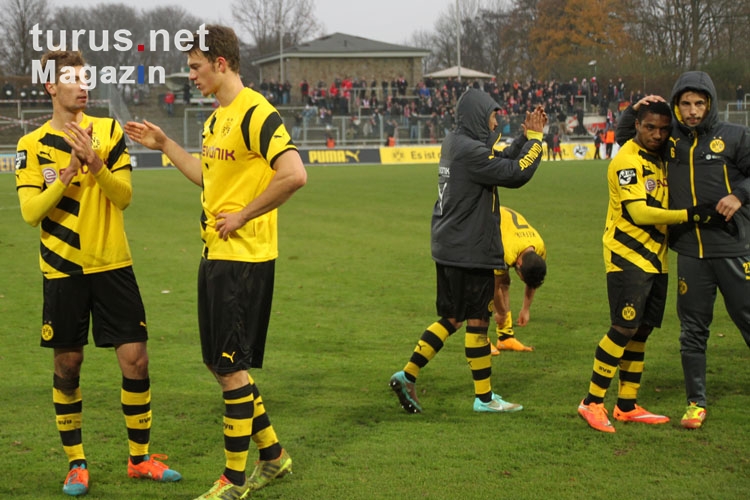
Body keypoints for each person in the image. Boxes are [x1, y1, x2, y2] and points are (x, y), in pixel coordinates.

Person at [124, 25, 307, 498]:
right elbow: (208, 181)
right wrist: (165, 145)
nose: (192, 76)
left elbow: (294, 174)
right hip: (216, 255)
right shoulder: (214, 120)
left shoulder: (257, 113)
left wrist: (244, 215)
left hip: (244, 259)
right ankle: (273, 457)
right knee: (221, 364)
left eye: (196, 67)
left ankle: (232, 481)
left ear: (221, 63)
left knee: (229, 368)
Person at [14, 50, 181, 497]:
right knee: (68, 365)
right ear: (51, 86)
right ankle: (76, 464)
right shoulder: (29, 146)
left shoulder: (108, 132)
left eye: (85, 77)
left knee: (136, 360)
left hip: (114, 264)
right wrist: (66, 174)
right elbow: (30, 212)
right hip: (63, 270)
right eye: (72, 78)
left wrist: (96, 165)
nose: (83, 85)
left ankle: (140, 459)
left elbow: (123, 197)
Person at [388, 88, 547, 414]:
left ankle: (417, 377)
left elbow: (499, 158)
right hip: (469, 249)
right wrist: (536, 142)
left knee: (460, 318)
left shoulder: (457, 143)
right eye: (492, 117)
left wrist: (521, 138)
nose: (495, 123)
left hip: (452, 245)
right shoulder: (471, 153)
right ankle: (476, 396)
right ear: (477, 117)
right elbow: (514, 173)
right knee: (470, 320)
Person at [578, 100, 728, 433]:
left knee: (642, 330)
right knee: (624, 328)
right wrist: (691, 214)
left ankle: (626, 405)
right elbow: (641, 213)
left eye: (663, 128)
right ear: (637, 127)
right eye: (650, 128)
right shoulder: (626, 161)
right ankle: (591, 401)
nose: (658, 134)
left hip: (656, 258)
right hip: (626, 257)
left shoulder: (660, 158)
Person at [617, 71, 750, 430]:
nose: (692, 112)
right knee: (692, 330)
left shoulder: (735, 137)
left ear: (710, 105)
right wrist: (634, 109)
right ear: (677, 105)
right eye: (686, 104)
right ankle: (696, 403)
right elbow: (624, 137)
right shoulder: (669, 138)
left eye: (699, 104)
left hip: (733, 247)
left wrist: (739, 195)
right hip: (690, 252)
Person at [489, 206, 547, 355]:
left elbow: (533, 279)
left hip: (503, 228)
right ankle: (479, 339)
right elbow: (493, 287)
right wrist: (501, 312)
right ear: (519, 265)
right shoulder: (507, 253)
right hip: (480, 222)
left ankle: (505, 338)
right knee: (482, 282)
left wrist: (526, 309)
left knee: (504, 281)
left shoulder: (539, 249)